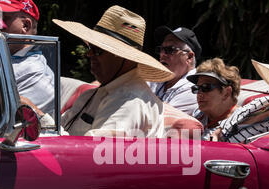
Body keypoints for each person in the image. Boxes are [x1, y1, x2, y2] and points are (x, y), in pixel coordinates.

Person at [37, 5, 173, 138]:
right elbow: (63, 129)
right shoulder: (97, 93)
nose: (88, 54)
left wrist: (39, 117)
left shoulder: (129, 102)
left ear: (125, 57)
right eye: (90, 47)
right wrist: (36, 117)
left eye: (97, 50)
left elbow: (90, 154)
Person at [148, 26, 202, 116]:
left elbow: (157, 119)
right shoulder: (156, 80)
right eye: (160, 49)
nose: (162, 54)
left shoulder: (195, 88)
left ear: (189, 57)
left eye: (170, 50)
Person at [186, 58, 241, 141]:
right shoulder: (198, 115)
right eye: (196, 88)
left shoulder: (242, 121)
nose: (199, 94)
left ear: (226, 93)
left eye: (206, 87)